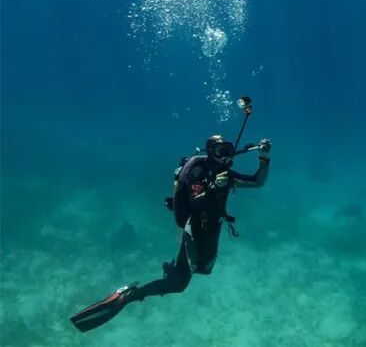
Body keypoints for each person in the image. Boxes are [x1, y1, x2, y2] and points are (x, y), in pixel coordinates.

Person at [70, 135, 272, 332]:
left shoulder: (225, 175)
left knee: (202, 270)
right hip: (194, 232)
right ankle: (129, 295)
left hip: (211, 231)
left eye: (227, 150)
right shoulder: (198, 172)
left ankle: (164, 275)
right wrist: (213, 187)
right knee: (179, 284)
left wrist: (264, 158)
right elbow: (195, 204)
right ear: (210, 151)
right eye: (220, 151)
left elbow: (257, 182)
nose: (225, 155)